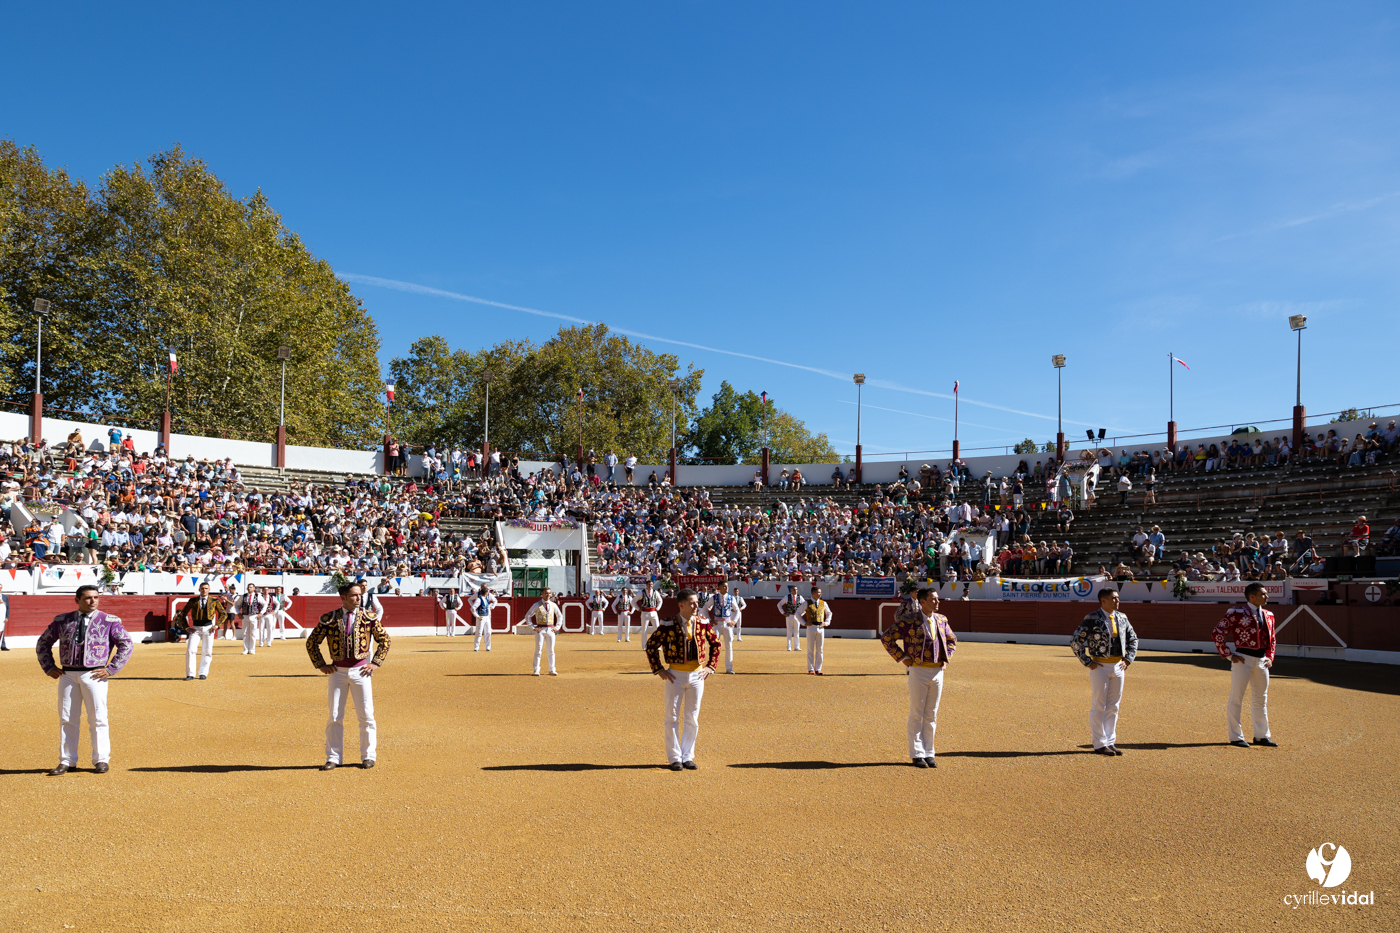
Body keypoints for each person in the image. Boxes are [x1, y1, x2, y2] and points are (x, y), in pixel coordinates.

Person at [36, 585, 134, 775]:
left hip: (94, 675)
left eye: (96, 598)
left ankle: (101, 759)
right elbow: (43, 642)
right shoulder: (62, 621)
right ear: (77, 600)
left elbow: (126, 643)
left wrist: (111, 669)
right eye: (88, 598)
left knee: (98, 717)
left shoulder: (109, 621)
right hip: (67, 675)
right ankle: (66, 761)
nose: (93, 601)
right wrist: (48, 666)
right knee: (67, 718)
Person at [306, 582, 391, 770]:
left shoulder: (369, 617)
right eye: (354, 595)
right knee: (335, 715)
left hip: (362, 672)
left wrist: (376, 662)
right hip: (337, 672)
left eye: (359, 594)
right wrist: (320, 664)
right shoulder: (329, 619)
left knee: (366, 715)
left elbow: (385, 640)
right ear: (343, 598)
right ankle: (334, 757)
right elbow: (311, 642)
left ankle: (368, 755)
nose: (358, 598)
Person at [644, 587, 722, 771]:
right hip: (674, 676)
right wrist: (659, 669)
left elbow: (716, 644)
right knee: (671, 716)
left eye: (696, 602)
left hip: (697, 675)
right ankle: (674, 757)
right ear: (681, 605)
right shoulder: (668, 624)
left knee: (692, 718)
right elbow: (651, 646)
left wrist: (711, 666)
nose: (696, 606)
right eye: (692, 603)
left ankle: (688, 756)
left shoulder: (703, 622)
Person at [879, 587, 956, 768]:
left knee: (931, 714)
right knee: (917, 713)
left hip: (937, 672)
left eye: (937, 599)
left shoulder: (942, 619)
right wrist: (902, 657)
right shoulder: (909, 620)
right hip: (918, 671)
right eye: (933, 599)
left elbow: (952, 640)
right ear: (923, 602)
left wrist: (946, 659)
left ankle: (929, 752)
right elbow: (887, 637)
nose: (937, 602)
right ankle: (916, 753)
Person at [1069, 588, 1139, 756]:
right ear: (1104, 601)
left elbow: (1133, 639)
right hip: (1099, 667)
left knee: (1113, 706)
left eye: (1118, 598)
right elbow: (1076, 640)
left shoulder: (1122, 617)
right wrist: (1087, 661)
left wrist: (1128, 658)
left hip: (1118, 667)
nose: (1117, 601)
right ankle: (1099, 743)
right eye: (1114, 598)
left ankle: (1110, 741)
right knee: (1099, 706)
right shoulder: (1092, 618)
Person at [1212, 582, 1278, 748]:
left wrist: (1270, 656)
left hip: (1262, 660)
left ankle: (1261, 736)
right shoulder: (1236, 612)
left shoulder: (1269, 614)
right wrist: (1228, 654)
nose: (1267, 596)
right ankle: (1235, 737)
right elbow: (1218, 632)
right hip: (1243, 659)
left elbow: (1272, 639)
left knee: (1261, 699)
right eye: (1263, 594)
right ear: (1252, 597)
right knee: (1236, 698)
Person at [176, 582, 225, 680]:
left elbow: (223, 614)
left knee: (207, 651)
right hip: (195, 629)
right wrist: (186, 627)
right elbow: (182, 614)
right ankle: (190, 674)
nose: (204, 590)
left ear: (209, 590)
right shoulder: (193, 600)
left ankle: (203, 673)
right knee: (190, 650)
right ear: (199, 589)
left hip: (208, 628)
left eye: (206, 588)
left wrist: (216, 625)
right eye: (202, 588)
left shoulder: (214, 600)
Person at [524, 588, 563, 675]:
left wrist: (557, 627)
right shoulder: (537, 605)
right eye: (546, 593)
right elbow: (527, 616)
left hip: (551, 630)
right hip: (540, 630)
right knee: (538, 650)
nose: (548, 595)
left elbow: (560, 616)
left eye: (549, 593)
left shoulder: (553, 605)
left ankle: (552, 669)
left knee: (551, 650)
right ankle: (536, 669)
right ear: (542, 594)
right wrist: (533, 627)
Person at [803, 585, 833, 675]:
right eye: (819, 592)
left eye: (820, 592)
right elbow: (797, 613)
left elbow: (829, 613)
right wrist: (804, 623)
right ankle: (811, 668)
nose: (820, 594)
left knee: (820, 649)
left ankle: (818, 668)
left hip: (820, 627)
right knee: (810, 649)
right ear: (813, 593)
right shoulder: (806, 603)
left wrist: (827, 622)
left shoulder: (823, 603)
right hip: (811, 626)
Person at [710, 585, 740, 674]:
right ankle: (712, 667)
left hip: (727, 624)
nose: (727, 588)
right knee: (714, 646)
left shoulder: (731, 598)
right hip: (717, 624)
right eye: (724, 586)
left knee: (729, 646)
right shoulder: (714, 597)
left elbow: (737, 610)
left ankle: (729, 668)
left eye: (727, 586)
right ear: (719, 587)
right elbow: (705, 608)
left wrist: (734, 621)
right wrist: (709, 620)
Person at [239, 584, 270, 655]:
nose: (249, 588)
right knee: (245, 633)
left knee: (253, 633)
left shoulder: (258, 596)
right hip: (245, 616)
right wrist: (238, 613)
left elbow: (265, 604)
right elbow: (237, 605)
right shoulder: (243, 596)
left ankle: (252, 649)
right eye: (248, 587)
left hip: (254, 616)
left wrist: (261, 613)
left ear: (254, 589)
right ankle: (246, 649)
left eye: (250, 587)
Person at [779, 585, 806, 652]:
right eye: (794, 589)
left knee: (797, 632)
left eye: (796, 589)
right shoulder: (787, 597)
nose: (796, 590)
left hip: (797, 616)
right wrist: (783, 613)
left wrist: (802, 613)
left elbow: (805, 606)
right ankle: (789, 647)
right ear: (791, 591)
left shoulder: (800, 597)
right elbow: (779, 604)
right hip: (789, 616)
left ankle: (797, 647)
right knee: (789, 632)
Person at [471, 585, 497, 651]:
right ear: (485, 593)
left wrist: (489, 614)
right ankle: (476, 647)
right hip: (481, 617)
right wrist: (477, 616)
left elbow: (488, 607)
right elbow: (472, 608)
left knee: (488, 632)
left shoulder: (486, 599)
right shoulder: (479, 599)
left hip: (487, 617)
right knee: (479, 632)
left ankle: (488, 646)